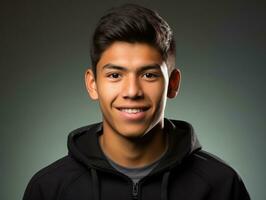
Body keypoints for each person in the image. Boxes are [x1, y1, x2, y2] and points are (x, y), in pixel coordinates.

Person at [23, 4, 250, 200]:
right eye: (115, 75)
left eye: (148, 75)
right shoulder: (50, 188)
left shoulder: (221, 185)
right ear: (93, 84)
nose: (132, 91)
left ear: (172, 83)